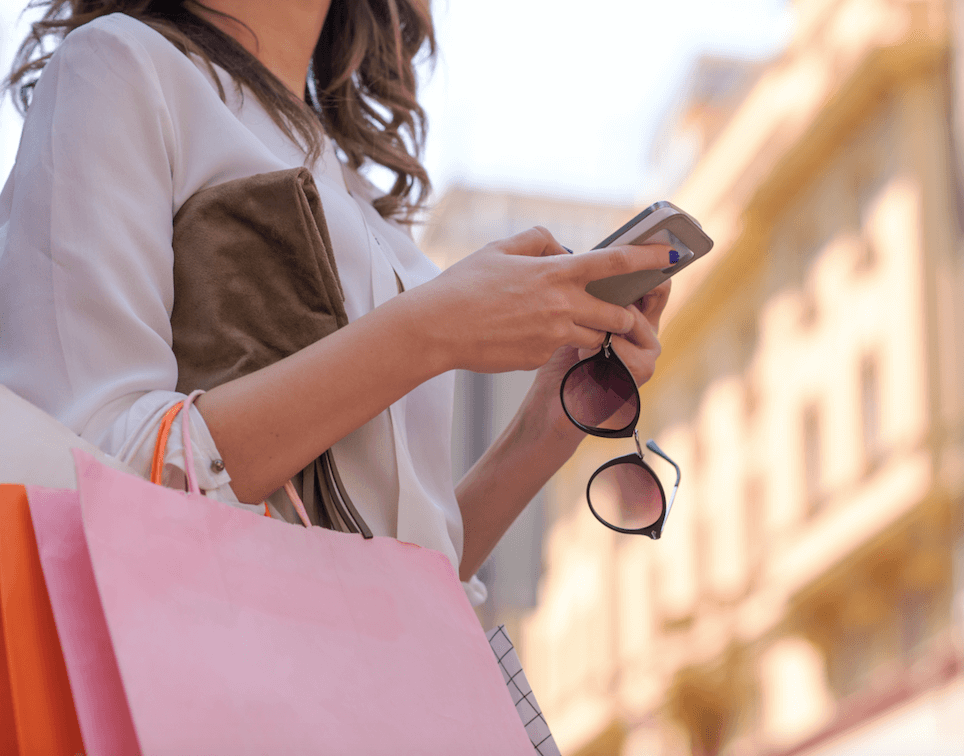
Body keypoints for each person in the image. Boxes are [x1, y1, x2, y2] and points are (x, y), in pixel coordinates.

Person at [0, 0, 672, 602]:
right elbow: (90, 471)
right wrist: (435, 330)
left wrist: (548, 424)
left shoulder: (362, 204)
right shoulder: (118, 66)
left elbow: (406, 574)